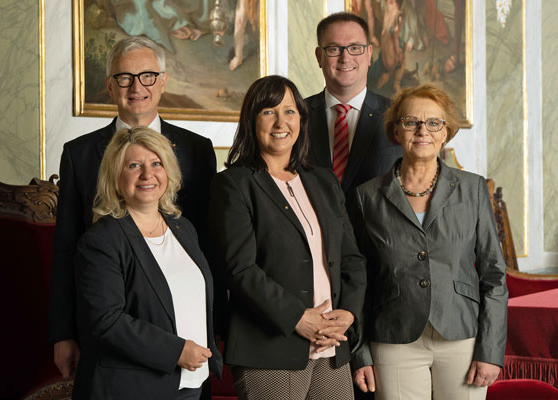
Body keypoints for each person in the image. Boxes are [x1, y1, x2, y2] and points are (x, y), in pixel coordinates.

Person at [49, 36, 216, 381]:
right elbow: (66, 247)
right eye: (124, 77)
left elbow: (206, 246)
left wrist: (217, 327)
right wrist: (63, 334)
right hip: (113, 330)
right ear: (110, 86)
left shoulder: (198, 150)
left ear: (163, 82)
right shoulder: (78, 154)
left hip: (189, 337)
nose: (136, 86)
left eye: (147, 76)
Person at [208, 75, 367, 400]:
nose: (281, 122)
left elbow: (352, 259)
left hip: (331, 346)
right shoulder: (235, 185)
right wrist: (297, 317)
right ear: (251, 120)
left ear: (302, 119)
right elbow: (240, 270)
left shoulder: (323, 181)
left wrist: (347, 314)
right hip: (269, 349)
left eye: (290, 111)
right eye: (268, 111)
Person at [351, 84, 508, 400]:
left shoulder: (474, 190)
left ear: (446, 132)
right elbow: (357, 280)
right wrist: (359, 352)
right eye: (411, 122)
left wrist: (490, 350)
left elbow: (495, 277)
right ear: (396, 131)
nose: (423, 130)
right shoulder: (367, 196)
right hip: (393, 338)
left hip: (461, 336)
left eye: (434, 123)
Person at [72, 127, 222, 400]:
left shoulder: (182, 228)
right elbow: (107, 321)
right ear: (116, 177)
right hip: (134, 388)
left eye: (156, 163)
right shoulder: (102, 240)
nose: (147, 174)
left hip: (193, 384)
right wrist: (177, 351)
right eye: (134, 165)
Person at [306, 12, 402, 206]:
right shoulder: (296, 116)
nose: (345, 57)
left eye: (355, 48)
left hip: (377, 235)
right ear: (319, 57)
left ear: (369, 54)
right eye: (334, 49)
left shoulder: (398, 116)